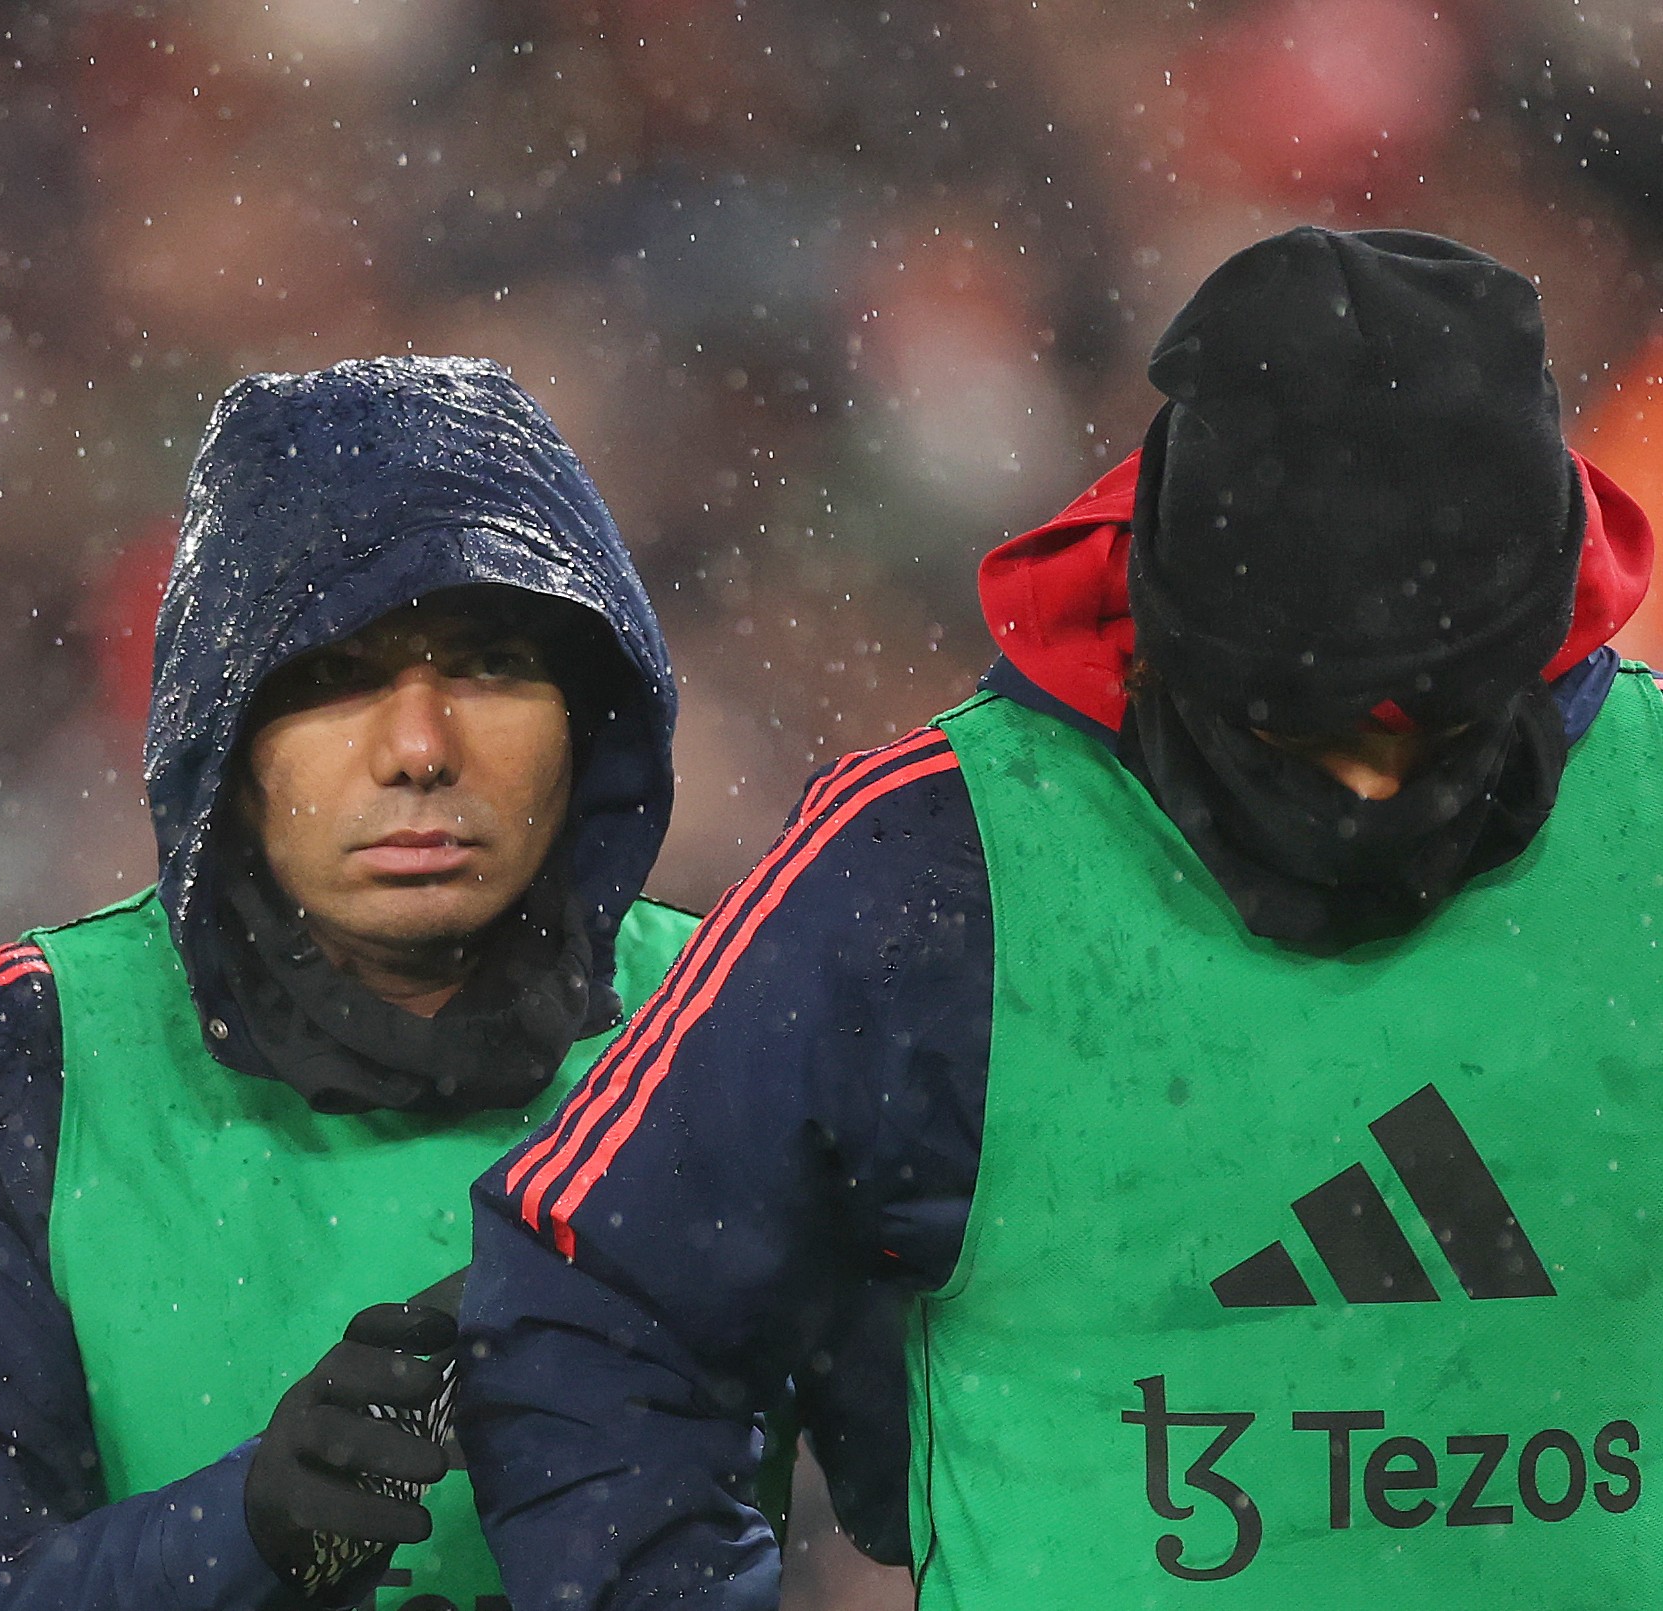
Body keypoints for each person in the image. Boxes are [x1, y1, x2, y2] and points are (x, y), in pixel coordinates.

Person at [457, 226, 1663, 1609]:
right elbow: (590, 1297)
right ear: (1161, 626)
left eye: (1435, 721)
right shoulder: (927, 867)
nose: (1366, 784)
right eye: (1295, 722)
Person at [0, 355, 701, 1611]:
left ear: (589, 713)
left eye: (486, 664)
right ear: (226, 735)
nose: (420, 747)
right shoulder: (9, 1062)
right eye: (335, 673)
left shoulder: (733, 1025)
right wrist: (244, 1532)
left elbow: (973, 1473)